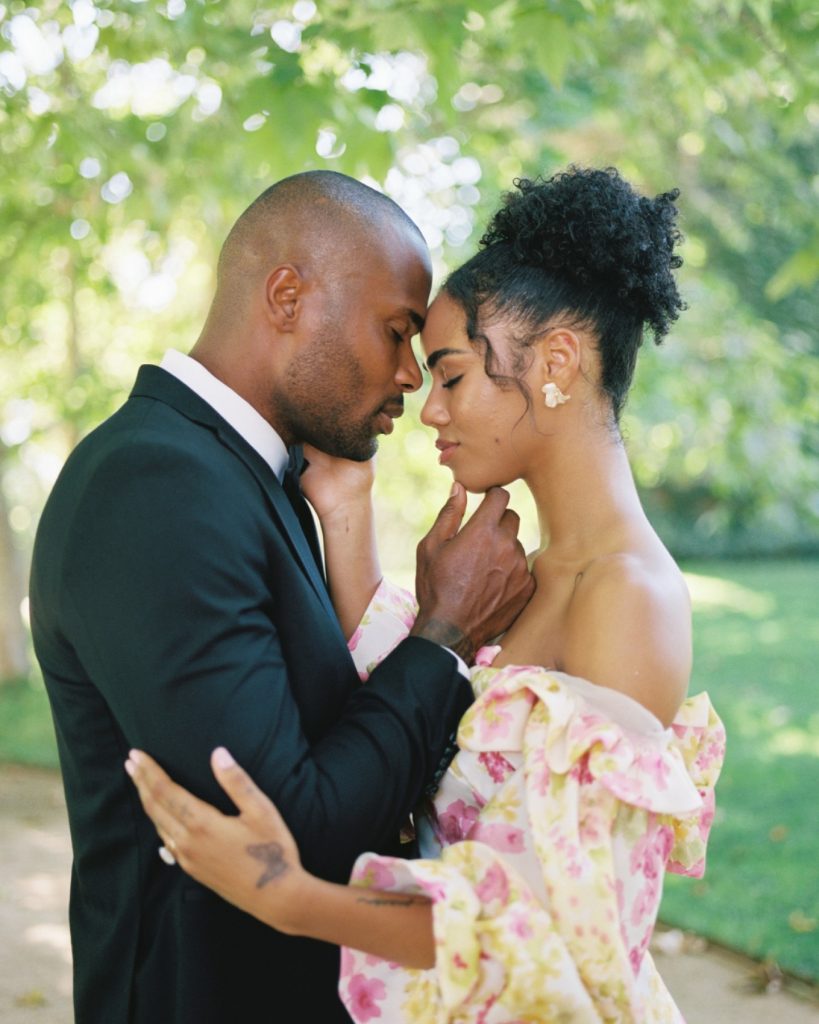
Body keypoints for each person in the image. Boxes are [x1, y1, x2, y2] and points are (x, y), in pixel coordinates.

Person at [127, 167, 726, 1022]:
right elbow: (416, 694)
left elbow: (548, 920)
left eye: (450, 375)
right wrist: (344, 508)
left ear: (556, 362)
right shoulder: (534, 574)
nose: (425, 407)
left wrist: (286, 895)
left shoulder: (627, 599)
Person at [28, 170, 536, 1024]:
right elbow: (294, 828)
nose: (411, 376)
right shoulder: (156, 486)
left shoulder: (235, 476)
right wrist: (442, 636)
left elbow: (321, 727)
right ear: (288, 295)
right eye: (396, 330)